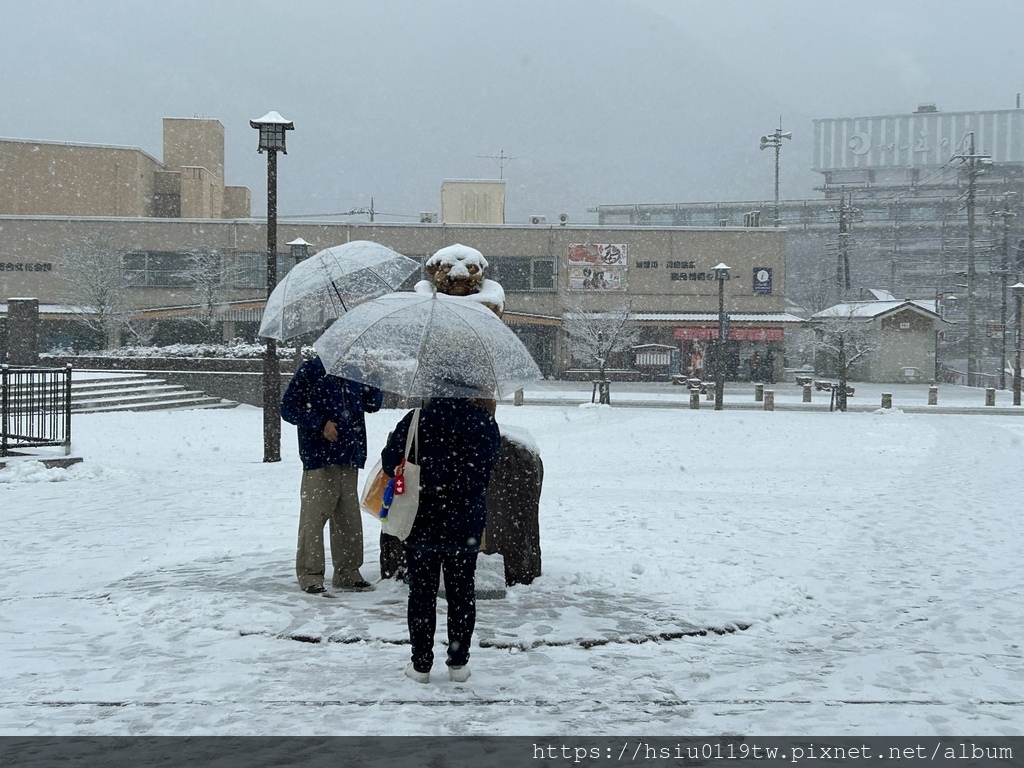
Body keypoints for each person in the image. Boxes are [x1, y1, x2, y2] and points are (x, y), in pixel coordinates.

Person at [381, 397, 501, 684]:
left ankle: (421, 663)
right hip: (465, 525)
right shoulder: (484, 422)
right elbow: (489, 465)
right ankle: (458, 663)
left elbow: (389, 462)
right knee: (462, 593)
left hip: (421, 521)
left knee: (421, 594)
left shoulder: (415, 419)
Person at [280, 354, 382, 595]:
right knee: (314, 518)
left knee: (348, 518)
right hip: (319, 457)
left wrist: (373, 376)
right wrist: (320, 423)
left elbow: (373, 404)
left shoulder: (354, 371)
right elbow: (288, 408)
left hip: (349, 455)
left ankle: (348, 573)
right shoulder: (311, 370)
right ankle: (310, 574)